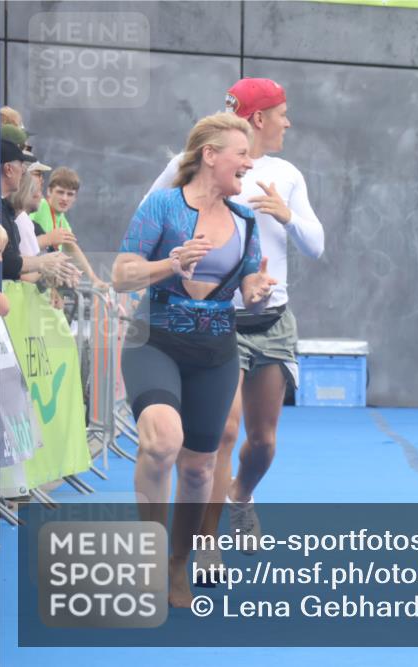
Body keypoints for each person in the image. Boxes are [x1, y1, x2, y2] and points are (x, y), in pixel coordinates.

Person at [143, 77, 324, 580]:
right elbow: (148, 217)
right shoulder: (195, 161)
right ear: (259, 117)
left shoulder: (285, 174)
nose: (289, 122)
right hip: (215, 320)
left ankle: (240, 494)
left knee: (262, 443)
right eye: (283, 113)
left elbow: (317, 246)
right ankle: (206, 543)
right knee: (221, 434)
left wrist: (288, 217)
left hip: (272, 319)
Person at [112, 112, 277, 607]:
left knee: (199, 470)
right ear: (210, 155)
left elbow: (247, 286)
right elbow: (121, 274)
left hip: (215, 351)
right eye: (241, 153)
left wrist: (258, 289)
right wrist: (171, 262)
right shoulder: (163, 206)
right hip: (156, 338)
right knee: (163, 442)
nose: (249, 163)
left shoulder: (246, 220)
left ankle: (176, 564)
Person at [0, 140, 78, 286]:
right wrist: (44, 263)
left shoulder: (9, 214)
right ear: (8, 169)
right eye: (24, 168)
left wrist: (53, 268)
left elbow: (12, 260)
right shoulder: (11, 215)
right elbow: (9, 263)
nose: (39, 181)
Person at [31, 166, 105, 288]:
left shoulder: (62, 220)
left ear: (75, 198)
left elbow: (72, 247)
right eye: (60, 192)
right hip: (29, 280)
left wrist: (94, 279)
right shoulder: (40, 206)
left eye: (70, 194)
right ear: (49, 191)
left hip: (44, 283)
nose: (65, 198)